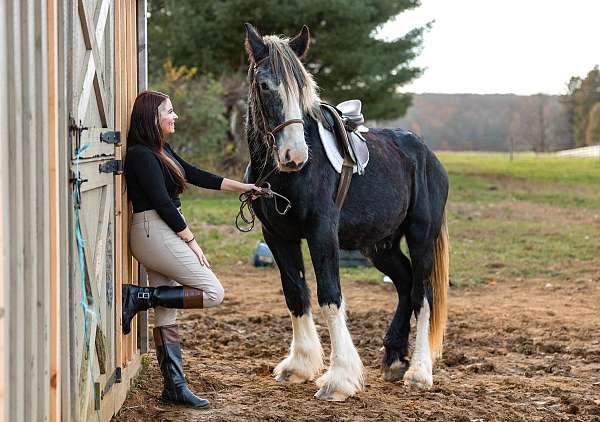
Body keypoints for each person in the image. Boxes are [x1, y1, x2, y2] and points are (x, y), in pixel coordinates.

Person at [121, 90, 260, 408]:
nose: (175, 116)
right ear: (153, 117)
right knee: (213, 292)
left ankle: (174, 388)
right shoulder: (141, 155)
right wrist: (191, 240)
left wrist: (244, 187)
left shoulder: (160, 149)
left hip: (161, 229)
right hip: (153, 230)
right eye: (169, 111)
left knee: (167, 315)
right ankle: (138, 296)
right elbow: (161, 202)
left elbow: (195, 175)